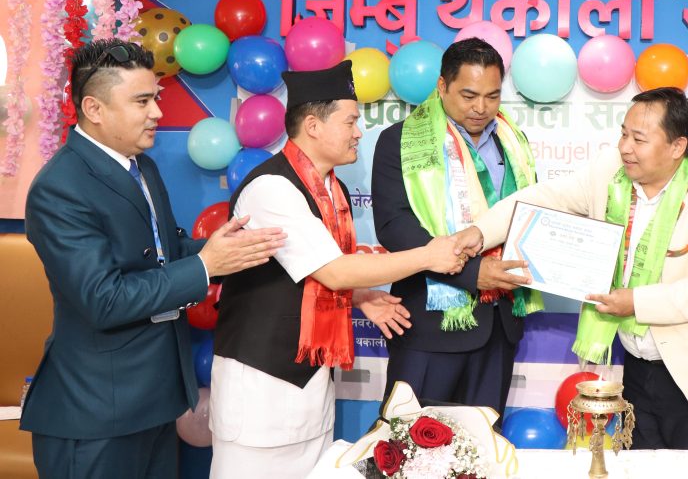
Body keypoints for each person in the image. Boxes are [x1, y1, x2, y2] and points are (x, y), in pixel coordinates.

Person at [20, 39, 285, 479]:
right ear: (94, 108)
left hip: (155, 401)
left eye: (155, 98)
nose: (157, 112)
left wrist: (232, 249)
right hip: (96, 414)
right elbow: (104, 299)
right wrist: (206, 265)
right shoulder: (59, 188)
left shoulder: (141, 166)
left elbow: (165, 254)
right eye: (142, 101)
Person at [210, 60, 472, 479]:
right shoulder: (271, 188)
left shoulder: (334, 189)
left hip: (312, 391)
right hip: (260, 391)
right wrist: (429, 255)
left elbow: (309, 273)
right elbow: (333, 272)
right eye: (350, 121)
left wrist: (360, 295)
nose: (358, 132)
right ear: (313, 126)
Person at [455, 87, 688, 450]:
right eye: (623, 134)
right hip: (636, 368)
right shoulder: (609, 172)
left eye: (639, 139)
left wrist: (635, 303)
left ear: (677, 146)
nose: (625, 147)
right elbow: (542, 198)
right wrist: (480, 232)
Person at [371, 38, 538, 421]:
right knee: (409, 441)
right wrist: (472, 273)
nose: (481, 108)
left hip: (500, 325)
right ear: (442, 86)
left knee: (482, 444)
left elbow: (529, 216)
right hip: (430, 325)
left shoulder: (514, 142)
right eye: (469, 95)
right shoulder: (401, 141)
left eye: (492, 96)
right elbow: (395, 227)